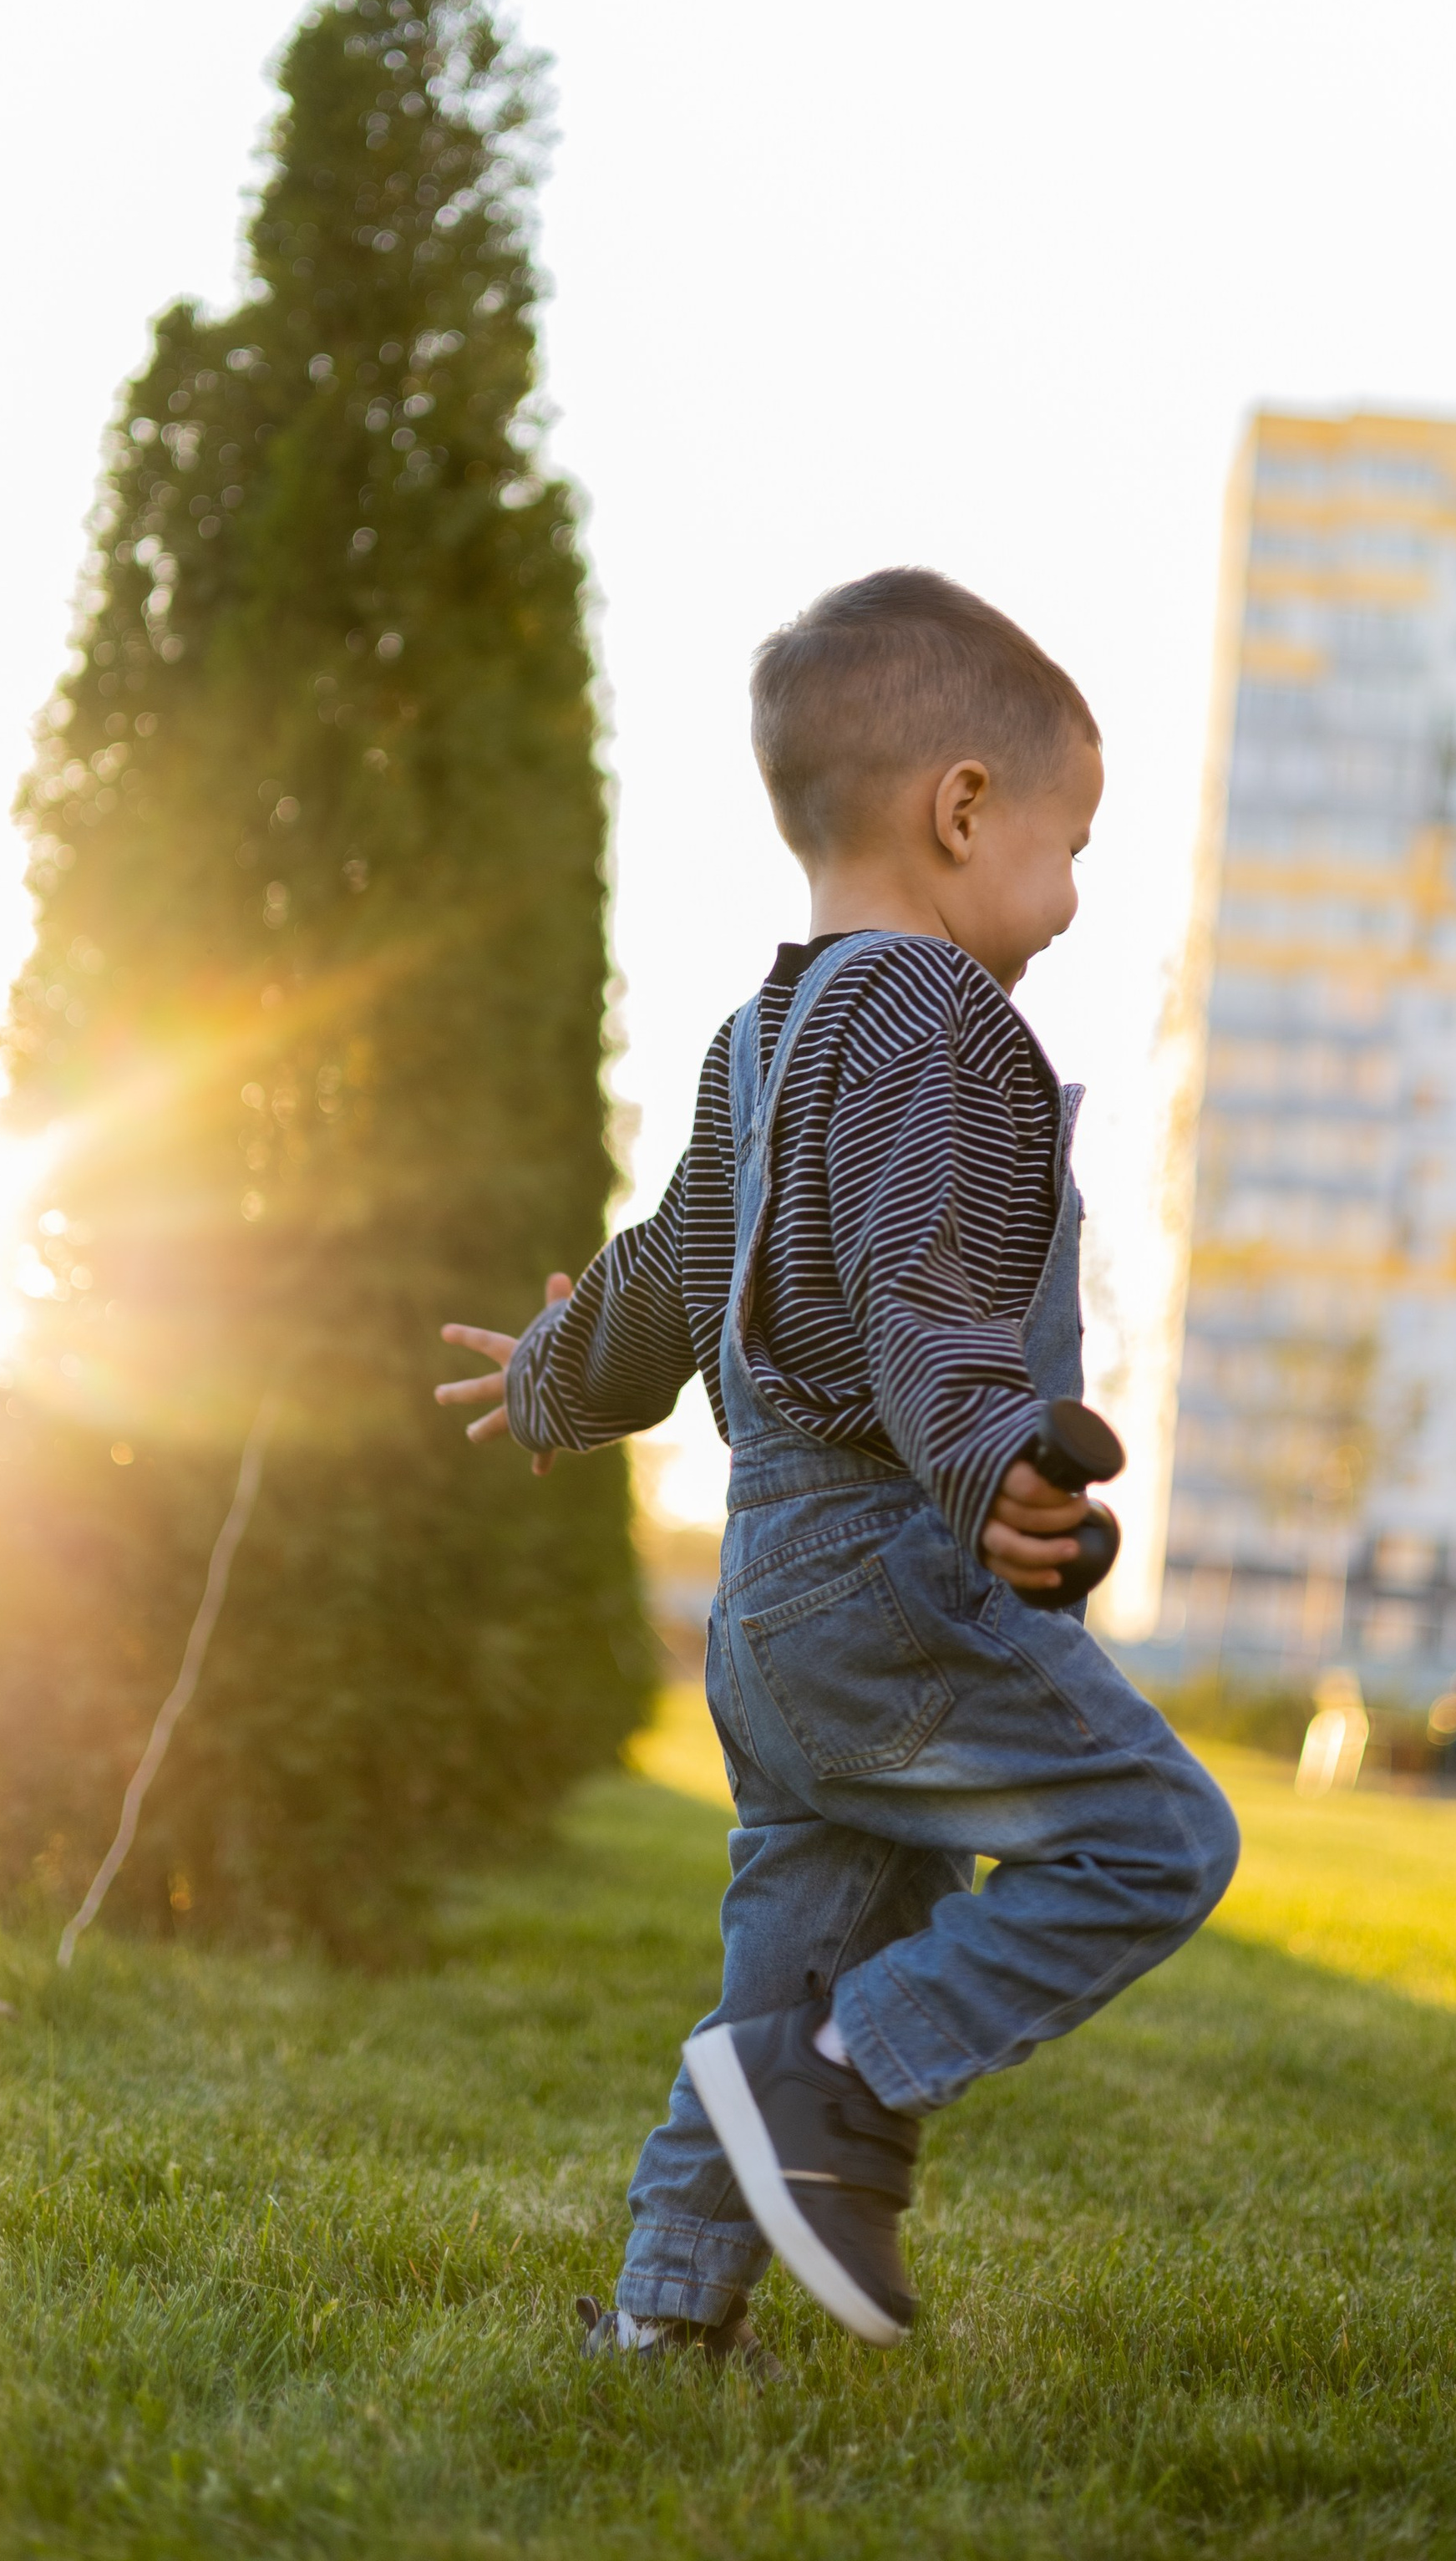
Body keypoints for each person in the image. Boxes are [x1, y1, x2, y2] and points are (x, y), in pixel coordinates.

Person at [434, 568, 1238, 2370]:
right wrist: (983, 1464)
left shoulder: (766, 1031)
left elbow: (661, 1269)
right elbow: (919, 1287)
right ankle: (843, 2083)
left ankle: (666, 2313)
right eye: (1070, 839)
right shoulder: (930, 1020)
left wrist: (558, 1381)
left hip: (773, 1608)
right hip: (889, 1571)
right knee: (1151, 1837)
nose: (1074, 891)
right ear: (963, 808)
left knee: (786, 1959)